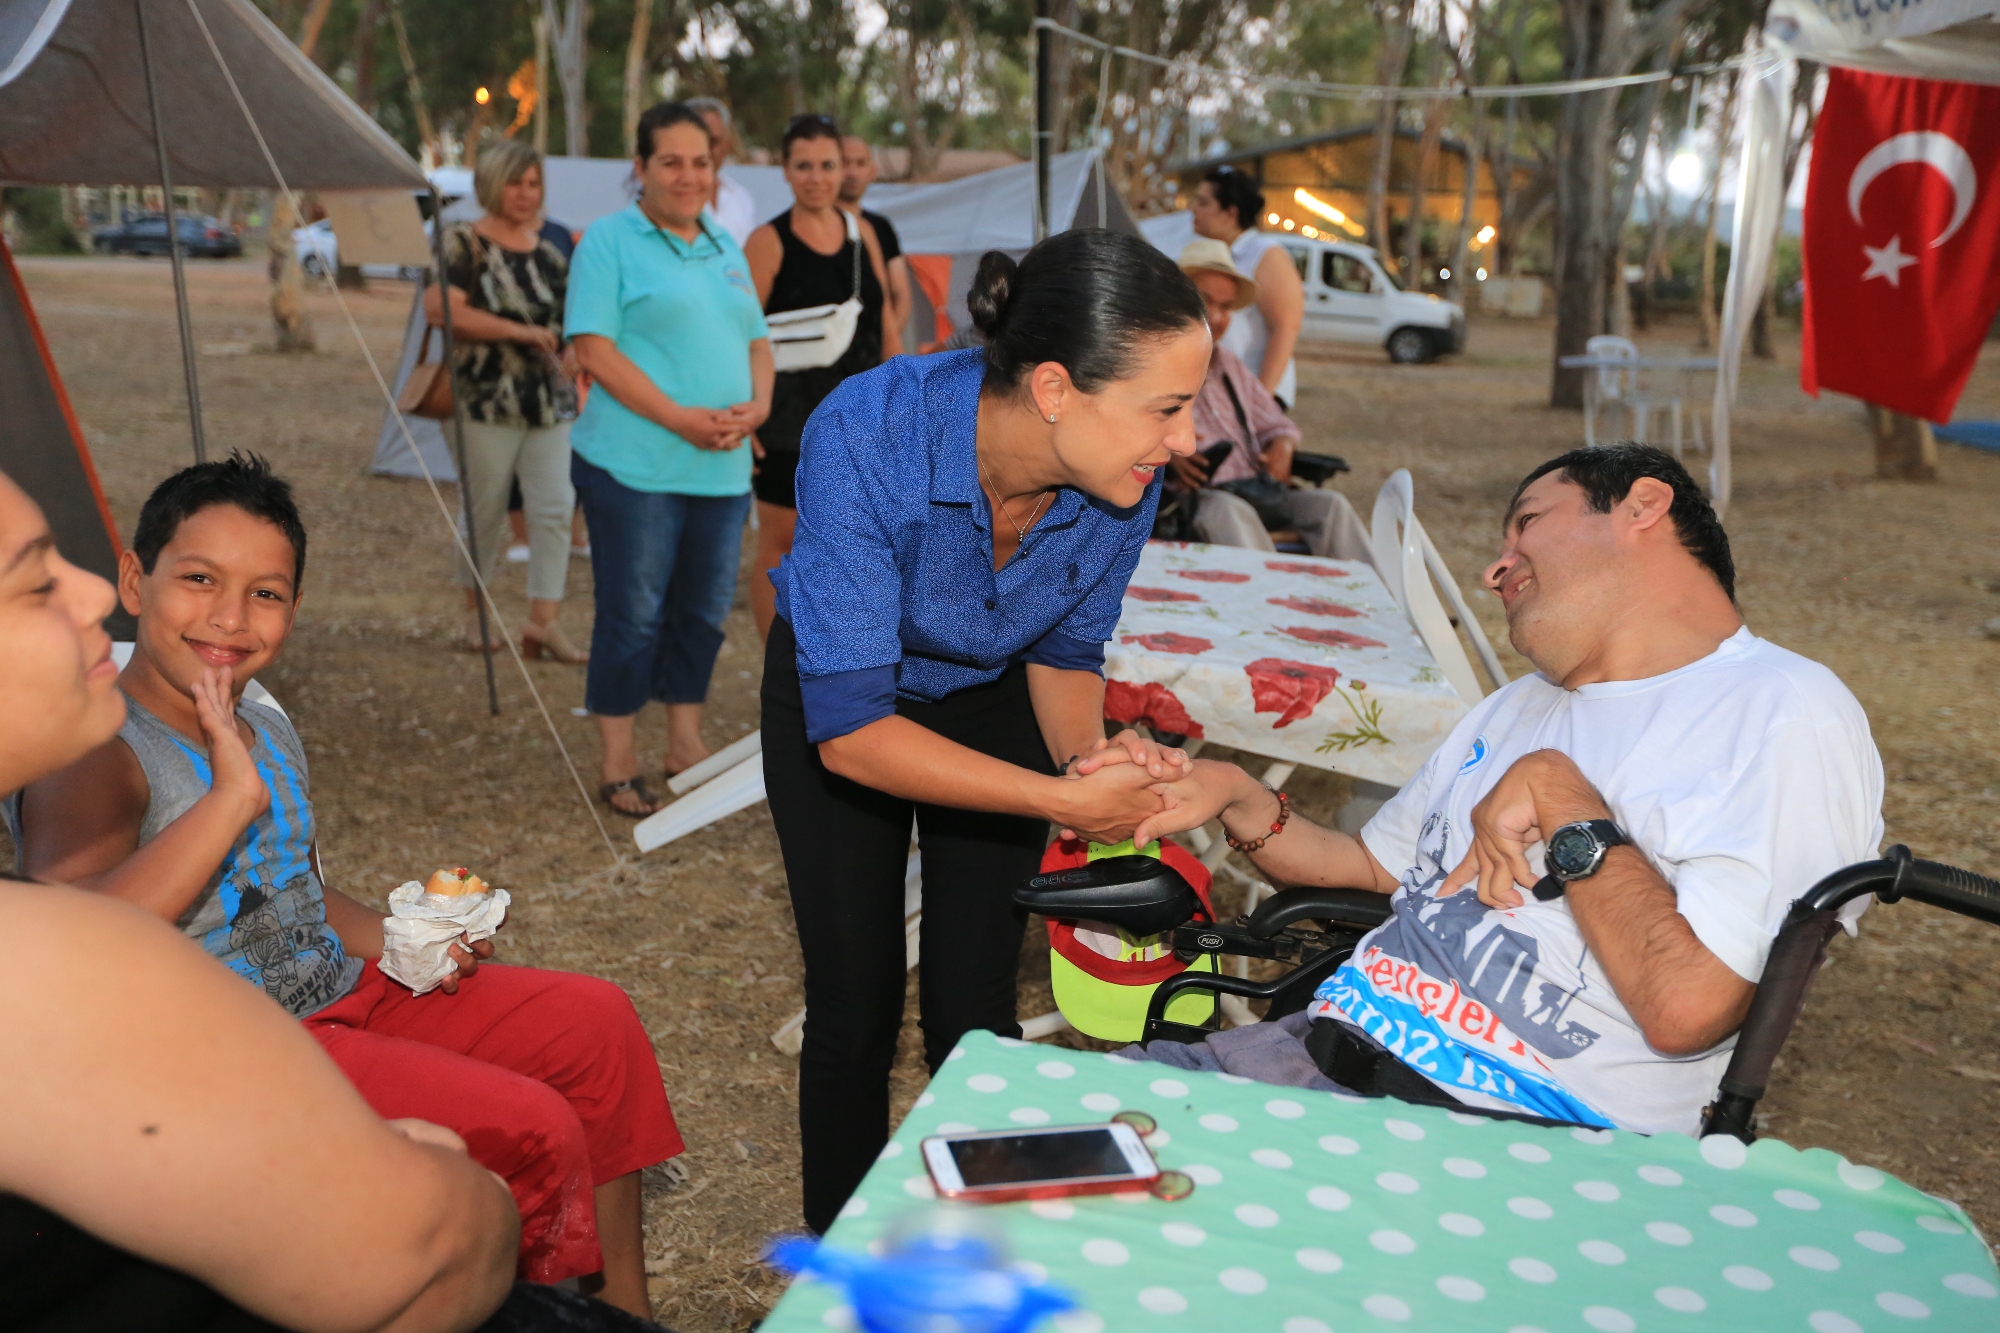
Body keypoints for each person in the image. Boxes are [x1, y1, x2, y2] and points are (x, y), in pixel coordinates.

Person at [0, 466, 678, 1333]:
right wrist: (224, 805)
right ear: (138, 580)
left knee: (596, 1023)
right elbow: (71, 954)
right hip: (251, 1038)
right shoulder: (103, 751)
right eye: (200, 579)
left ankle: (626, 1314)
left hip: (336, 986)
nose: (230, 616)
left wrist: (409, 937)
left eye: (266, 593)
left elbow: (301, 893)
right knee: (534, 1122)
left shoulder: (263, 719)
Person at [1130, 445, 1885, 1134]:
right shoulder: (1519, 704)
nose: (1496, 568)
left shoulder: (1782, 710)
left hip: (1504, 1133)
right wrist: (1237, 794)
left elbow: (1688, 1010)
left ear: (1643, 506)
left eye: (1526, 523)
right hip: (1306, 1060)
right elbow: (1371, 870)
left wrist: (1565, 800)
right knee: (1041, 1137)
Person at [763, 228, 1213, 1232]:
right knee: (853, 1009)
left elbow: (1062, 651)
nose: (1184, 439)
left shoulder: (1120, 480)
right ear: (1055, 388)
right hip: (849, 697)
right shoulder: (870, 432)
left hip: (997, 692)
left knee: (975, 1011)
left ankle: (978, 1244)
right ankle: (846, 1270)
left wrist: (1087, 759)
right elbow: (850, 733)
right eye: (1167, 407)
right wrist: (1061, 799)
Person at [566, 101, 773, 815]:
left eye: (701, 162)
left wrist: (761, 407)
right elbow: (593, 350)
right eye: (672, 161)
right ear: (641, 168)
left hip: (718, 469)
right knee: (633, 614)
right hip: (635, 467)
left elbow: (757, 341)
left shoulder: (722, 243)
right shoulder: (608, 243)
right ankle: (618, 758)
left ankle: (684, 742)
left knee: (703, 613)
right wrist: (681, 419)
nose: (689, 176)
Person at [743, 114, 901, 642]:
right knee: (782, 539)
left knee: (852, 540)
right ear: (786, 171)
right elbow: (740, 332)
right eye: (803, 166)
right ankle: (775, 662)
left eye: (827, 165)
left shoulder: (864, 235)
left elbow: (883, 322)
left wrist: (897, 400)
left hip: (856, 418)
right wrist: (750, 411)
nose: (816, 177)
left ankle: (831, 651)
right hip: (788, 418)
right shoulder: (767, 240)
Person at [427, 138, 585, 663]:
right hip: (481, 402)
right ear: (493, 184)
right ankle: (474, 611)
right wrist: (522, 333)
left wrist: (571, 354)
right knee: (486, 510)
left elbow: (569, 321)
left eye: (534, 183)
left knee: (556, 508)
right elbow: (442, 311)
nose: (526, 193)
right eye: (516, 182)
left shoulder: (552, 249)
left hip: (545, 405)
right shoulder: (461, 241)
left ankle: (544, 623)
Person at [1168, 238, 1371, 560]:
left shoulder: (1230, 366)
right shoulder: (1153, 365)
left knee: (1332, 507)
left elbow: (1277, 424)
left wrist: (1284, 445)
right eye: (1207, 302)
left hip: (1257, 489)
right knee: (1230, 512)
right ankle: (1272, 604)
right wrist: (1165, 454)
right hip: (1196, 498)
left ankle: (1378, 605)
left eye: (1226, 307)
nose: (1218, 318)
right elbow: (1125, 430)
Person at [1190, 164, 1304, 408]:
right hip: (1221, 391)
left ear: (1230, 213)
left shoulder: (1265, 254)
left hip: (1251, 391)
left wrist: (1260, 399)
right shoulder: (1211, 253)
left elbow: (1286, 327)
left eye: (1203, 202)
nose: (1193, 209)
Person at [839, 136, 911, 345]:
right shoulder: (807, 227)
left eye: (860, 163)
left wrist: (885, 345)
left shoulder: (882, 227)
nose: (852, 173)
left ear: (872, 171)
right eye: (845, 163)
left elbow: (901, 295)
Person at [685, 96, 757, 246]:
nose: (706, 150)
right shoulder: (668, 199)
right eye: (698, 141)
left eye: (714, 141)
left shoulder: (740, 198)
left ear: (728, 143)